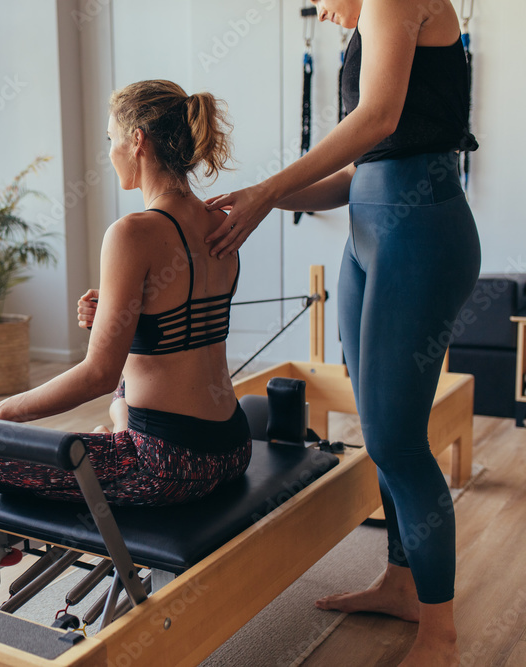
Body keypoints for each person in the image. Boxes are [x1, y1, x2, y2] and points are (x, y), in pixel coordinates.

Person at [202, 1, 479, 664]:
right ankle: (401, 581)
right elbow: (365, 167)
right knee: (381, 428)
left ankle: (440, 632)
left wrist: (271, 188)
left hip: (421, 235)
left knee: (395, 439)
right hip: (370, 231)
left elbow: (376, 121)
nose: (321, 10)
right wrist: (262, 200)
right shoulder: (366, 26)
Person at [0, 79, 251, 507]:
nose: (109, 153)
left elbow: (96, 375)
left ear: (137, 140)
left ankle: (121, 436)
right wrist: (120, 313)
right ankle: (121, 426)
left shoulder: (131, 232)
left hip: (167, 464)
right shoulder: (222, 223)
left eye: (111, 139)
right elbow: (181, 331)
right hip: (233, 447)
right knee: (123, 396)